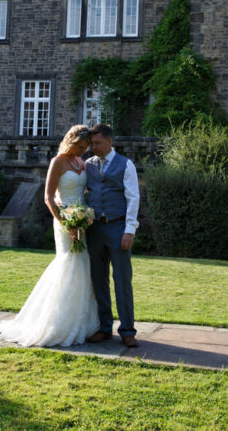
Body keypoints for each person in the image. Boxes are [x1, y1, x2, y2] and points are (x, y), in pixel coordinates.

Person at [0, 125, 98, 347]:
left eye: (86, 147)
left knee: (82, 265)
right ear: (71, 141)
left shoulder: (82, 163)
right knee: (67, 263)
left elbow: (84, 191)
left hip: (81, 220)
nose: (83, 150)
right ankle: (56, 324)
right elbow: (49, 198)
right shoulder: (57, 162)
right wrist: (66, 222)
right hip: (64, 221)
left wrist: (84, 216)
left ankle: (83, 322)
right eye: (80, 146)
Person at [84, 123, 140, 348]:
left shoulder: (126, 165)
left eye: (97, 143)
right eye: (92, 143)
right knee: (98, 280)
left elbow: (133, 197)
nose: (93, 147)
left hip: (118, 228)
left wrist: (129, 230)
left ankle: (127, 330)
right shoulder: (88, 165)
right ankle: (104, 327)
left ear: (109, 141)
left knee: (122, 280)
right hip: (95, 229)